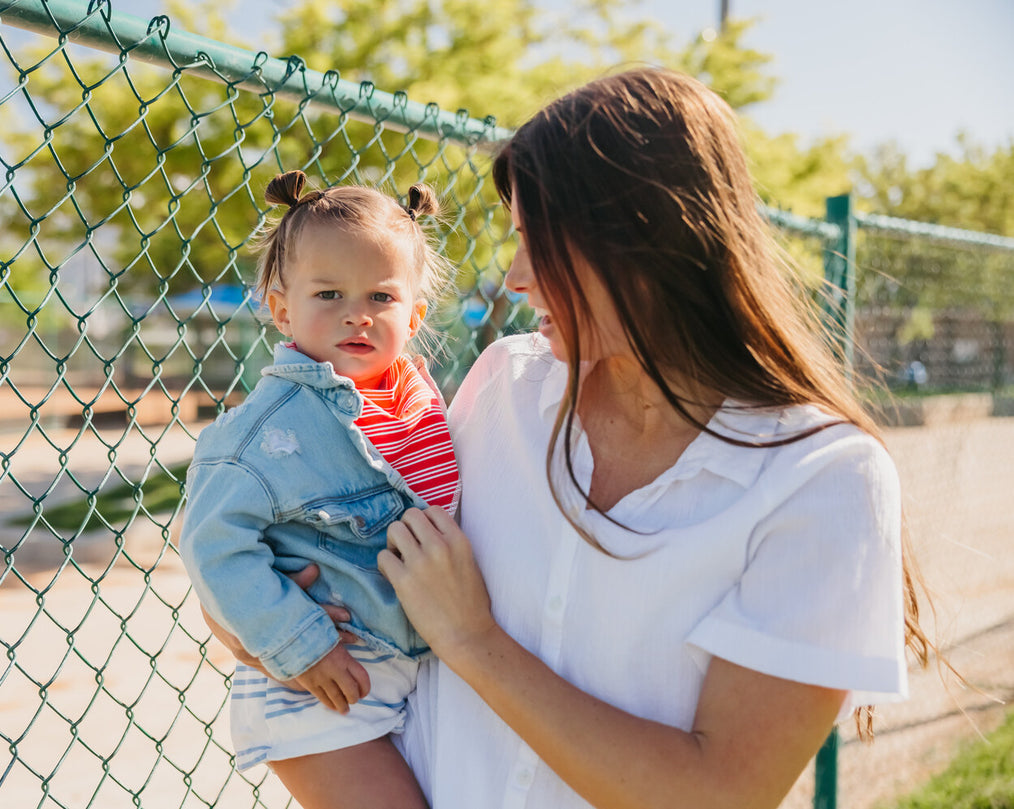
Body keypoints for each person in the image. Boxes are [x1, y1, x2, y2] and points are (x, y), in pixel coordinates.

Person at [207, 67, 934, 809]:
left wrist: (473, 640)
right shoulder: (504, 385)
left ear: (648, 241)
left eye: (540, 243)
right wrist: (253, 614)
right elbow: (322, 540)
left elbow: (722, 793)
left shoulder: (823, 476)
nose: (515, 277)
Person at [177, 169, 457, 809]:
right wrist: (296, 643)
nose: (355, 313)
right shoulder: (267, 431)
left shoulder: (418, 408)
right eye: (328, 293)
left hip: (417, 667)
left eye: (381, 298)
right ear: (282, 309)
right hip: (321, 679)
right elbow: (212, 541)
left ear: (413, 316)